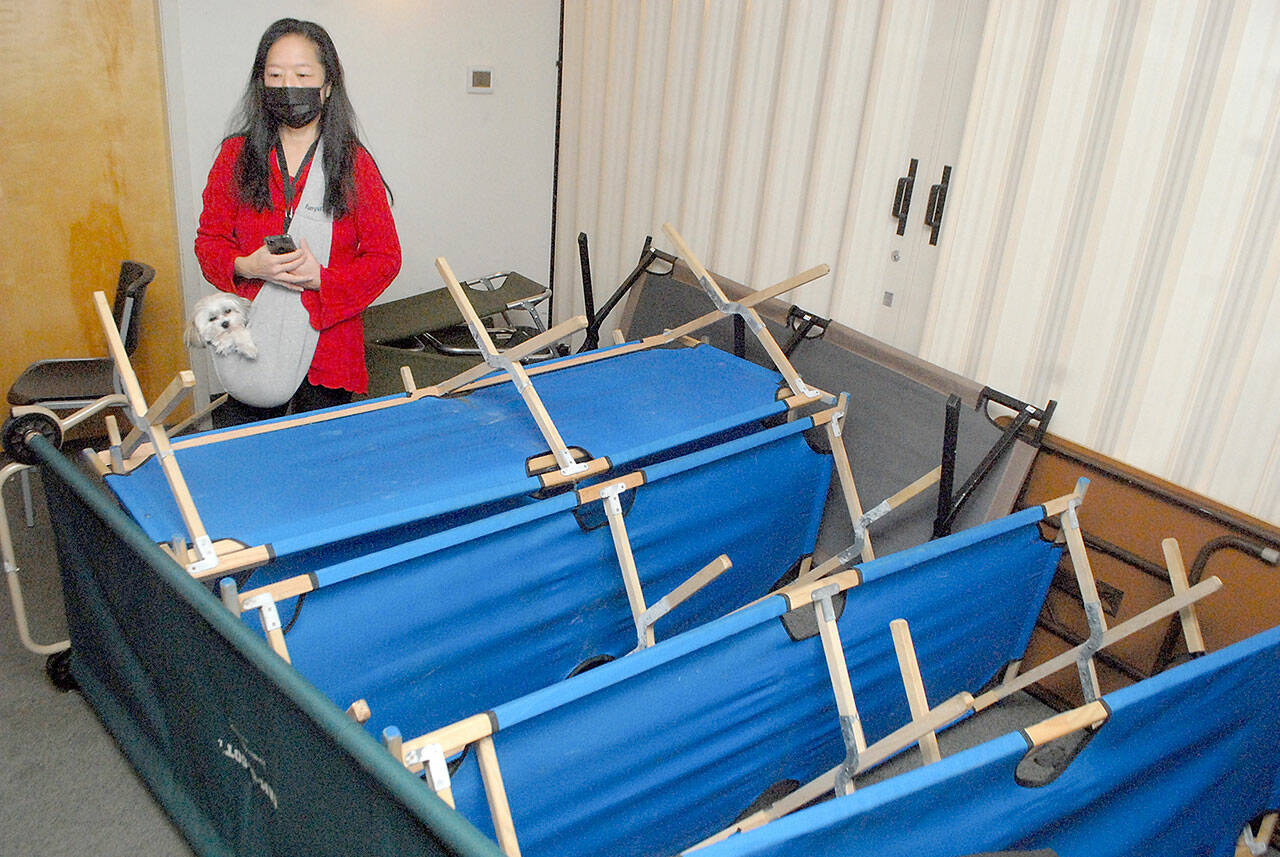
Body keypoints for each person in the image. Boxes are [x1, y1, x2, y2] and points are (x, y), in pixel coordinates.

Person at [195, 18, 400, 427]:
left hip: (328, 355)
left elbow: (385, 258)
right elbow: (209, 242)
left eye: (302, 75)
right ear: (261, 84)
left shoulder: (352, 164)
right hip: (252, 344)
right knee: (252, 469)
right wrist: (247, 265)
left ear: (327, 86)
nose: (288, 86)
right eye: (275, 75)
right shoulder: (235, 156)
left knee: (323, 474)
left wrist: (323, 279)